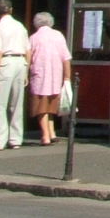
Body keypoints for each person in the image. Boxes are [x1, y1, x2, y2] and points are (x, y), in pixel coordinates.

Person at [0, 0, 31, 150]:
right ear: (10, 10)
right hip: (20, 62)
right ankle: (15, 139)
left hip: (6, 62)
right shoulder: (20, 26)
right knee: (17, 103)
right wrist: (26, 70)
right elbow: (28, 50)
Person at [28, 12, 73, 145]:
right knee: (51, 106)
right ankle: (52, 132)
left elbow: (29, 58)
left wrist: (26, 73)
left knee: (40, 107)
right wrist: (67, 77)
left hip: (39, 76)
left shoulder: (34, 38)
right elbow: (66, 58)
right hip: (55, 76)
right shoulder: (58, 35)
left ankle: (45, 135)